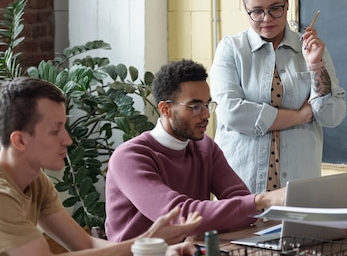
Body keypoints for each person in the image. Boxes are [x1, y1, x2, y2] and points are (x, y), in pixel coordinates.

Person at [0, 77, 202, 256]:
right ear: (19, 140)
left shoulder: (34, 180)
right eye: (55, 130)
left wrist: (154, 252)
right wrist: (145, 244)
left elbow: (86, 244)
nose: (67, 139)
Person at [105, 59, 286, 242]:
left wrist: (198, 226)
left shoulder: (205, 147)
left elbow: (245, 214)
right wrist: (262, 200)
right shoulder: (129, 157)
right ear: (166, 109)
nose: (206, 114)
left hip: (186, 254)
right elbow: (179, 215)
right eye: (195, 107)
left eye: (207, 105)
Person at [209, 0, 346, 193]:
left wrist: (315, 65)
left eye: (275, 9)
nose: (267, 19)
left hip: (299, 184)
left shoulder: (311, 49)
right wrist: (300, 116)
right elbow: (231, 112)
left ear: (287, 2)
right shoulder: (231, 49)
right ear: (245, 8)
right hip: (242, 186)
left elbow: (332, 116)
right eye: (257, 12)